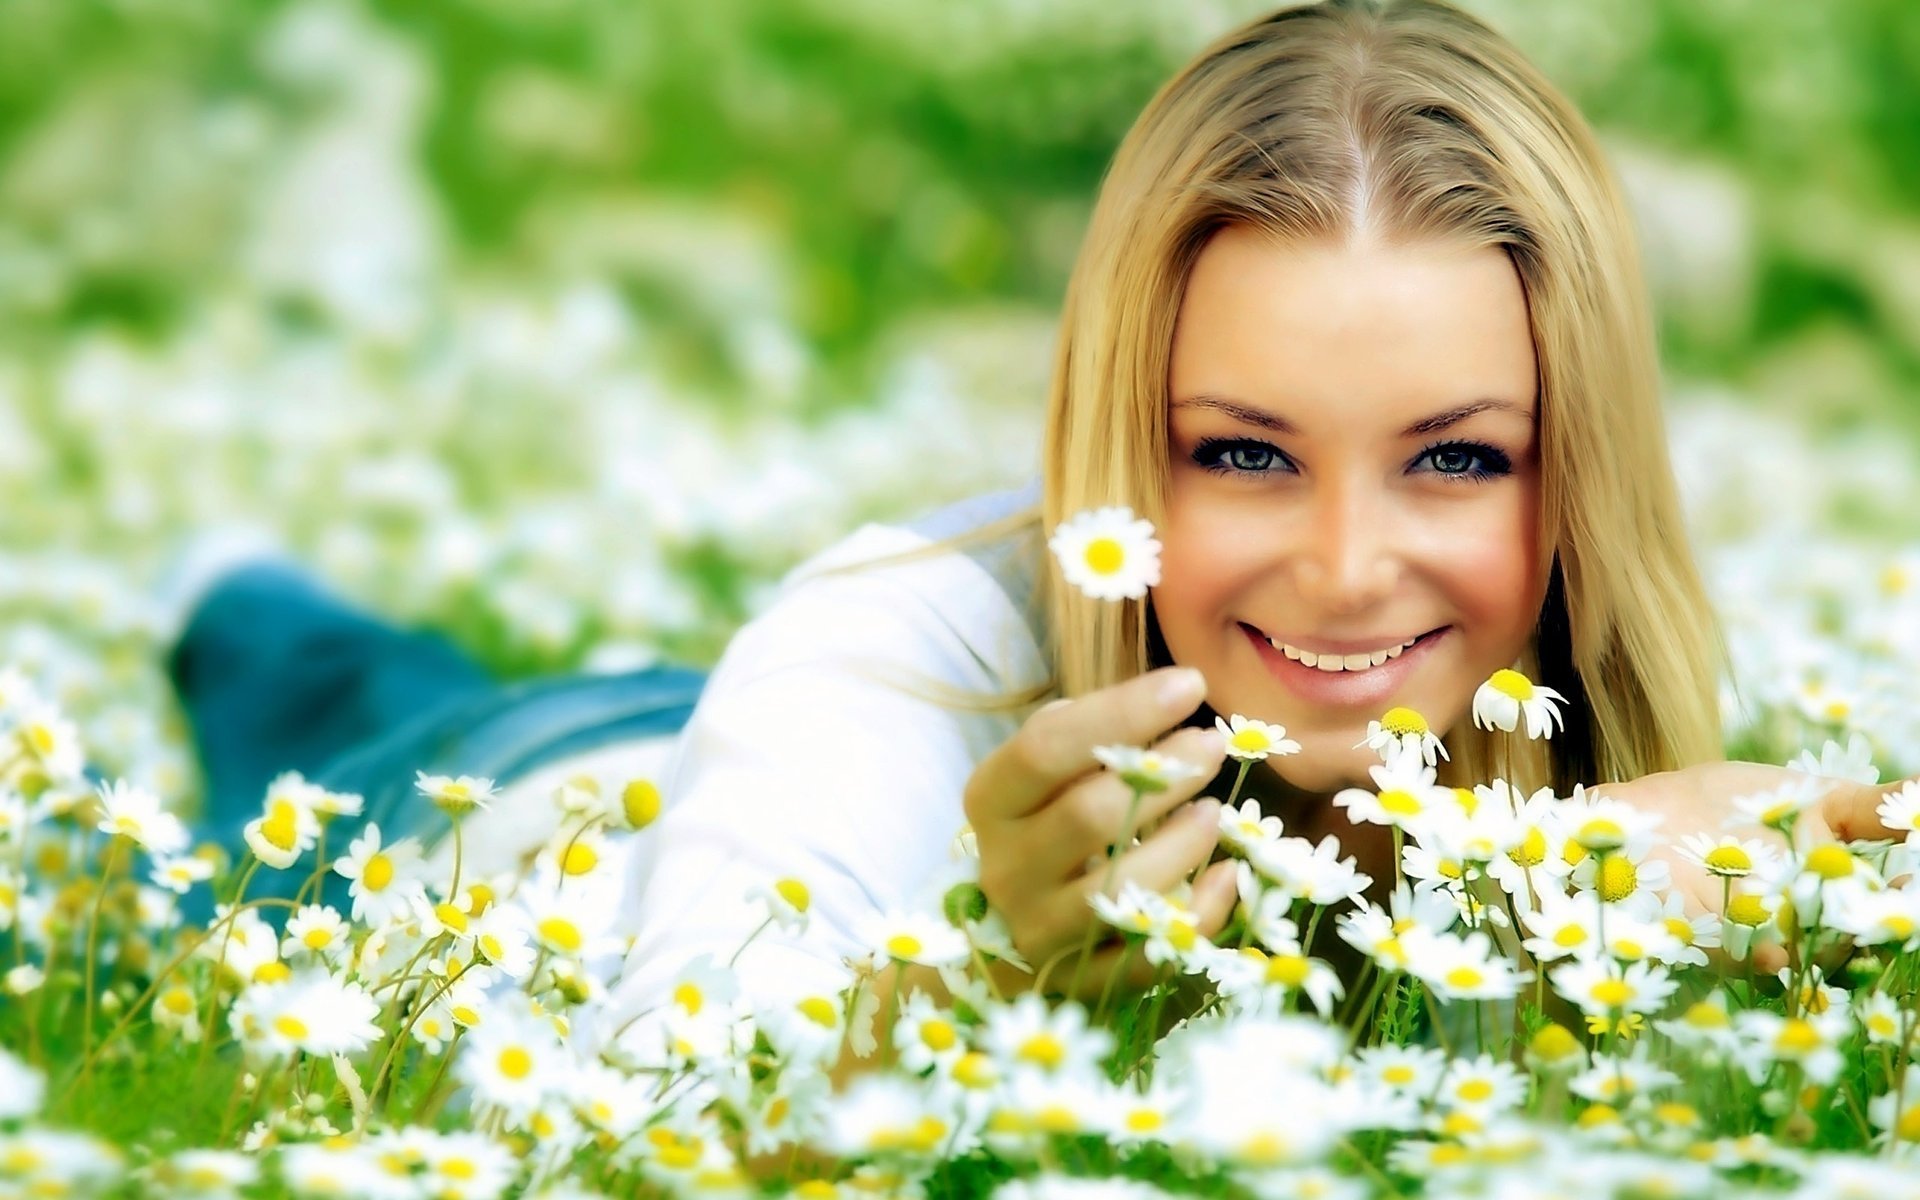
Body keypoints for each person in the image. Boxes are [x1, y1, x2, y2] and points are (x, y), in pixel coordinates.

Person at [164, 0, 1904, 1067]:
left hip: (743, 748)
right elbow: (666, 1101)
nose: (1349, 566)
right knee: (301, 700)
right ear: (1120, 450)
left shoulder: (1601, 723)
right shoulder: (886, 639)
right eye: (1243, 455)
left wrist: (1810, 888)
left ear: (1575, 472)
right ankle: (227, 589)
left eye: (1453, 463)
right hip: (504, 817)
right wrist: (995, 980)